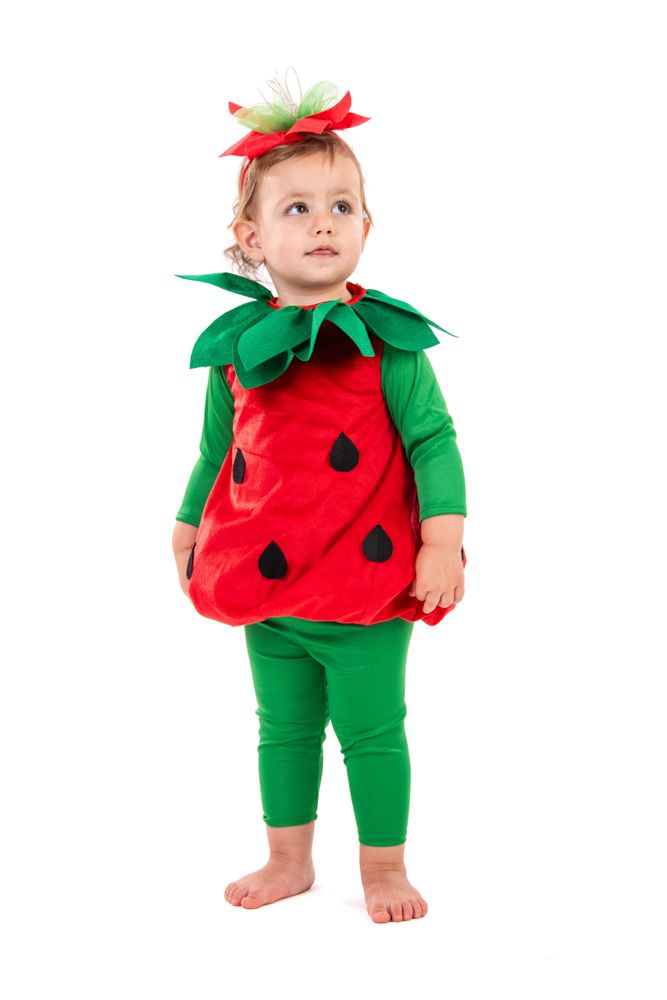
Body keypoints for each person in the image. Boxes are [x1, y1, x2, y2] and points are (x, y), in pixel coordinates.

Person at [171, 72, 468, 923]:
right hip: (265, 582)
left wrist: (440, 542)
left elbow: (433, 441)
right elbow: (217, 451)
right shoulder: (238, 348)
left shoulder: (388, 343)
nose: (323, 223)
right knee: (283, 728)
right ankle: (288, 859)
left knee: (371, 732)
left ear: (367, 226)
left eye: (341, 206)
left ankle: (383, 867)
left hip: (364, 584)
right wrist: (188, 528)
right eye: (296, 208)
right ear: (251, 237)